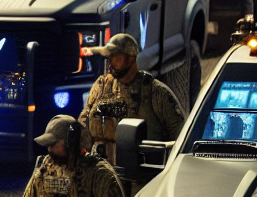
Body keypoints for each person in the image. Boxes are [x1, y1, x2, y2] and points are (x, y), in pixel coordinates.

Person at [78, 32, 184, 164]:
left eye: (116, 58)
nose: (110, 63)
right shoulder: (101, 87)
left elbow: (181, 135)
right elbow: (84, 121)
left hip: (140, 175)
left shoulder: (155, 92)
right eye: (109, 57)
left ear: (131, 58)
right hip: (102, 173)